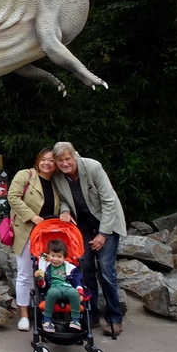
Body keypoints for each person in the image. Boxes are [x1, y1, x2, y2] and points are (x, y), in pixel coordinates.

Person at [51, 142, 127, 336]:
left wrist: (103, 234)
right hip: (82, 226)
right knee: (85, 269)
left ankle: (114, 318)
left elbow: (109, 201)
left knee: (106, 271)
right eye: (60, 160)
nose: (64, 163)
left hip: (106, 223)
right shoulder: (58, 177)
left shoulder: (93, 167)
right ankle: (91, 314)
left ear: (74, 155)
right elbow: (64, 200)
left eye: (67, 159)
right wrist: (65, 211)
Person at [5, 148, 75, 331]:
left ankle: (46, 311)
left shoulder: (57, 182)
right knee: (25, 274)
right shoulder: (25, 175)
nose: (47, 163)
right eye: (43, 159)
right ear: (38, 160)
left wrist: (65, 212)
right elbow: (12, 197)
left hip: (49, 235)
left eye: (51, 161)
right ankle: (24, 314)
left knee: (49, 272)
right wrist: (32, 216)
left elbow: (65, 201)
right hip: (27, 231)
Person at [34, 238, 84, 332]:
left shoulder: (70, 268)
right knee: (52, 293)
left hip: (67, 287)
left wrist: (80, 292)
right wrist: (39, 278)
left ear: (64, 258)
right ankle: (47, 319)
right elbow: (43, 286)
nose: (55, 259)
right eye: (52, 255)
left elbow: (77, 281)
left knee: (74, 293)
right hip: (54, 288)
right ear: (48, 255)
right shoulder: (46, 268)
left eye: (59, 256)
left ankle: (75, 320)